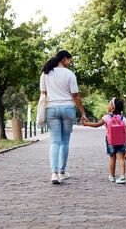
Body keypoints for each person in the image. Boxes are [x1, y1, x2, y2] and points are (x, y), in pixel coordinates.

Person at [40, 50, 88, 184]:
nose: (70, 63)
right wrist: (83, 113)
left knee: (54, 141)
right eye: (70, 60)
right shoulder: (70, 74)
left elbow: (43, 93)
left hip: (51, 108)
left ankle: (54, 173)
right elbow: (76, 96)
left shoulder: (46, 73)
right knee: (65, 141)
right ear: (64, 59)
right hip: (67, 108)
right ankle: (62, 172)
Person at [82, 97, 126, 184]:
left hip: (111, 141)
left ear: (113, 108)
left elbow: (97, 125)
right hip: (122, 141)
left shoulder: (107, 117)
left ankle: (112, 176)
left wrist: (86, 124)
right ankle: (122, 176)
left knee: (112, 157)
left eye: (109, 104)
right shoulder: (122, 118)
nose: (108, 105)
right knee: (121, 158)